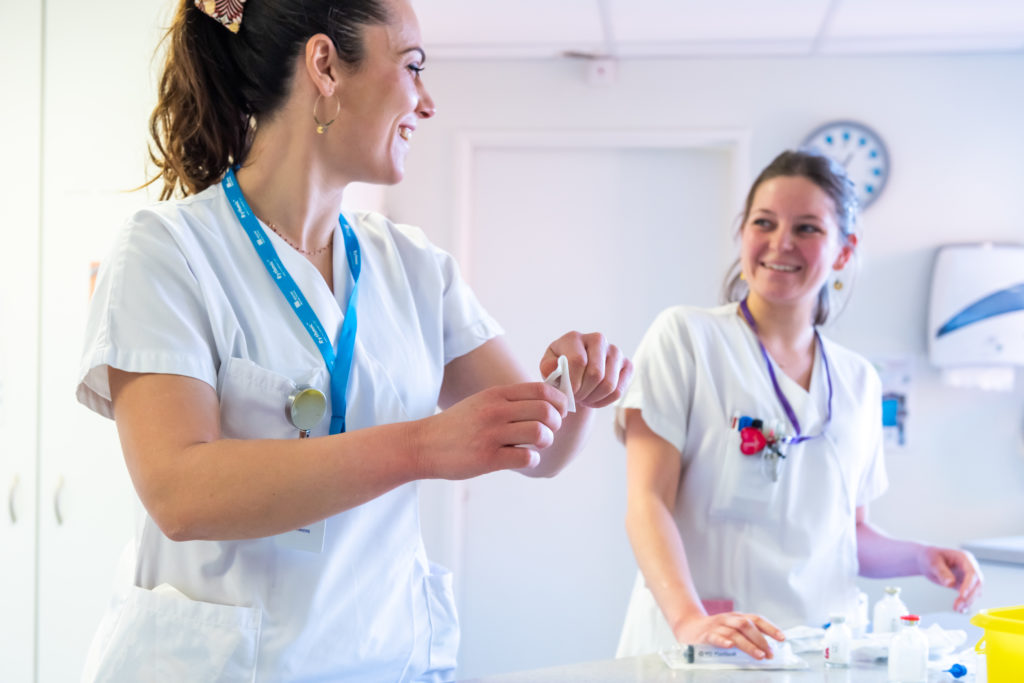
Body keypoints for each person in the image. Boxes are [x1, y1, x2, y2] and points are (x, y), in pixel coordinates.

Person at [75, 0, 633, 680]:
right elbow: (179, 492)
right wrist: (423, 445)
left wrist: (573, 385)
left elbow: (533, 449)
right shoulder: (169, 251)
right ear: (325, 65)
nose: (427, 102)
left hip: (382, 656)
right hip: (226, 665)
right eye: (413, 66)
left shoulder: (415, 268)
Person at [615, 150, 982, 661]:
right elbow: (646, 502)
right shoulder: (687, 338)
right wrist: (690, 619)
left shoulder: (857, 380)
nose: (781, 242)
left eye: (807, 228)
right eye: (763, 222)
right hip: (703, 644)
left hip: (818, 651)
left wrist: (924, 557)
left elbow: (846, 535)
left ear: (843, 251)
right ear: (743, 232)